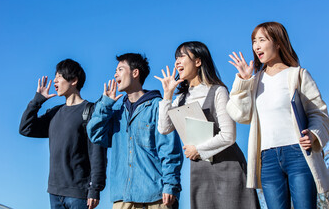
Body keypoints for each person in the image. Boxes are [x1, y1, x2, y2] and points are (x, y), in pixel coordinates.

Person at [226, 22, 329, 209]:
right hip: (268, 159)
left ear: (278, 43)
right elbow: (240, 114)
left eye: (262, 40)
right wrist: (243, 81)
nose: (256, 46)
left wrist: (313, 134)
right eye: (254, 41)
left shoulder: (297, 75)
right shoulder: (254, 81)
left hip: (299, 153)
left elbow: (319, 112)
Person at [155, 41, 260, 209]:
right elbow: (163, 128)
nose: (177, 62)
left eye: (182, 56)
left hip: (228, 168)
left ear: (198, 61)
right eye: (176, 58)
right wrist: (167, 96)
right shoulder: (181, 99)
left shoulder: (218, 91)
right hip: (200, 171)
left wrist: (198, 150)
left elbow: (229, 135)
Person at [87, 53, 183, 209]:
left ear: (135, 73)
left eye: (120, 69)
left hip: (156, 197)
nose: (115, 74)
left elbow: (169, 148)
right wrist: (105, 104)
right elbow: (95, 134)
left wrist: (171, 183)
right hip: (123, 198)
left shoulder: (158, 106)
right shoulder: (115, 110)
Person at [19, 59, 107, 209]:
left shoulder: (90, 111)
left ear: (73, 80)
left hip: (79, 194)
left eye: (59, 76)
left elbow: (97, 152)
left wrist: (95, 189)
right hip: (54, 192)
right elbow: (26, 128)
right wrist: (37, 101)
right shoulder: (54, 113)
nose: (55, 81)